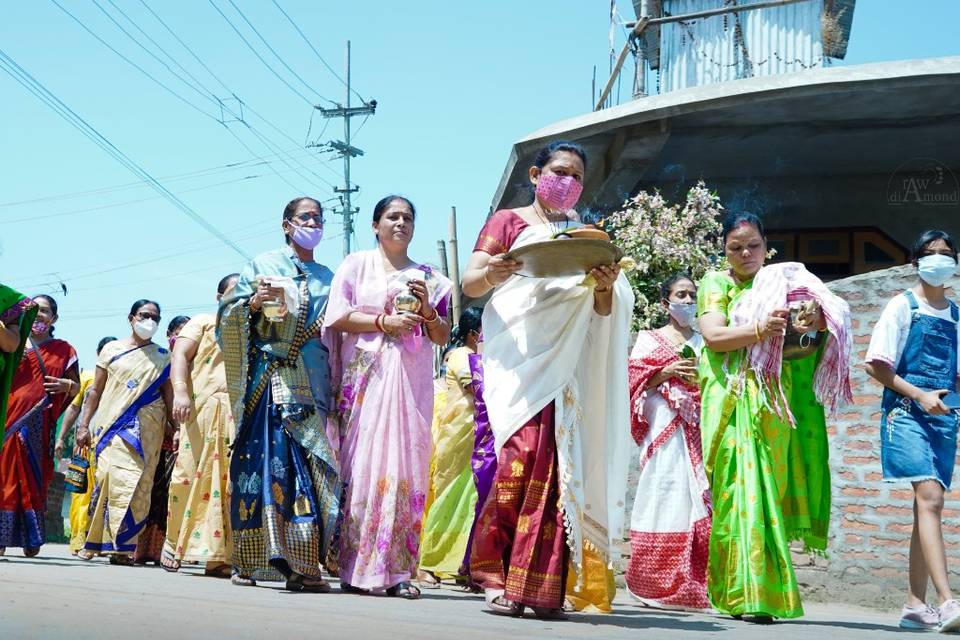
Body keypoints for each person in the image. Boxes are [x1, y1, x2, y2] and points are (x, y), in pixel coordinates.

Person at [460, 140, 634, 618]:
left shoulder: (586, 234)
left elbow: (603, 310)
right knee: (519, 461)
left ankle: (542, 588)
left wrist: (604, 288)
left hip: (567, 371)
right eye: (560, 171)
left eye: (577, 177)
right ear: (536, 175)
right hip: (518, 367)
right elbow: (470, 283)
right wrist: (494, 272)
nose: (569, 183)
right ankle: (495, 576)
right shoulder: (508, 222)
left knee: (562, 472)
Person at [697, 212, 851, 622]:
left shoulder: (784, 285)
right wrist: (760, 331)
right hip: (734, 404)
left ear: (766, 246)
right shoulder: (717, 284)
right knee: (741, 496)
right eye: (735, 247)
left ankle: (761, 590)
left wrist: (818, 324)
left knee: (769, 498)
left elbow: (803, 345)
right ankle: (746, 596)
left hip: (776, 408)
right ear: (724, 250)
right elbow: (714, 337)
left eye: (753, 246)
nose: (745, 254)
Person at [324, 194, 452, 600]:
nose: (400, 223)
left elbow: (442, 336)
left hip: (409, 383)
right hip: (364, 380)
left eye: (408, 218)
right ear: (375, 225)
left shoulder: (429, 276)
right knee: (360, 466)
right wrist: (384, 321)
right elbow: (337, 316)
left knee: (404, 467)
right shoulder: (356, 265)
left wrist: (429, 311)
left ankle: (396, 570)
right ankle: (351, 565)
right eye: (392, 217)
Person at [219, 197, 340, 592]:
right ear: (287, 224)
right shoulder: (262, 265)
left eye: (319, 218)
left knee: (308, 468)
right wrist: (252, 302)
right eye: (306, 217)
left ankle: (303, 563)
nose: (313, 223)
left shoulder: (330, 276)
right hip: (268, 381)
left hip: (312, 382)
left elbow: (338, 332)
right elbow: (228, 318)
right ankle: (251, 560)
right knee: (264, 465)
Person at [865, 230, 960, 632]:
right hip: (905, 414)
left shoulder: (957, 314)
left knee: (926, 507)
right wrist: (919, 394)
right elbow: (876, 365)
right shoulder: (901, 307)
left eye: (946, 253)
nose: (939, 259)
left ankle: (914, 604)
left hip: (945, 417)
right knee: (931, 498)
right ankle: (947, 601)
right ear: (914, 262)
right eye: (929, 253)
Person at [625, 274, 711, 611]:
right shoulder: (649, 339)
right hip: (662, 432)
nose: (688, 301)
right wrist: (668, 371)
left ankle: (690, 584)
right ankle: (650, 583)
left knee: (695, 502)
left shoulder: (707, 342)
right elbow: (634, 382)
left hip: (698, 431)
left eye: (692, 295)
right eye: (681, 295)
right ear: (665, 303)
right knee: (661, 495)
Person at [77, 299, 173, 564]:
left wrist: (176, 428)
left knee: (137, 484)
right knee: (108, 477)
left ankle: (122, 547)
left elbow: (169, 395)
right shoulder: (112, 349)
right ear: (131, 318)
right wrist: (84, 425)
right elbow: (95, 390)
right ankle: (94, 541)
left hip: (148, 429)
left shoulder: (164, 356)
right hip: (111, 426)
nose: (150, 321)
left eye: (155, 317)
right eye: (145, 315)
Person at [162, 274, 239, 577]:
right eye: (234, 292)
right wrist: (181, 391)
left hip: (236, 415)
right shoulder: (203, 322)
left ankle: (219, 556)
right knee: (186, 476)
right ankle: (173, 542)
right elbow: (179, 355)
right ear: (219, 296)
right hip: (201, 411)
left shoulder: (249, 330)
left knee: (227, 482)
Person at [0, 294, 79, 557]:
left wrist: (66, 386)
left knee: (35, 478)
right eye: (35, 310)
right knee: (4, 476)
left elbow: (76, 387)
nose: (40, 315)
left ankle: (30, 536)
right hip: (8, 418)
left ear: (54, 318)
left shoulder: (64, 350)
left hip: (39, 423)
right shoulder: (13, 342)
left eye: (45, 311)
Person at [419, 307, 483, 586]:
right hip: (458, 437)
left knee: (471, 503)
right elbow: (476, 388)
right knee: (448, 500)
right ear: (473, 333)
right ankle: (429, 562)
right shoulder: (460, 356)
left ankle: (462, 563)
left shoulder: (479, 356)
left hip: (476, 436)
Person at [131, 315, 190, 565]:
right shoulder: (161, 359)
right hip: (153, 434)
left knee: (169, 493)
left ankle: (161, 548)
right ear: (169, 335)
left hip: (181, 437)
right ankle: (135, 545)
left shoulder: (194, 361)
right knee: (146, 489)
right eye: (179, 332)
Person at [59, 335, 116, 555]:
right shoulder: (87, 378)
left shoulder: (121, 380)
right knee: (79, 493)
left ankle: (97, 542)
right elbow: (73, 409)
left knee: (104, 493)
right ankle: (78, 539)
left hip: (108, 446)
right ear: (99, 354)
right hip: (82, 447)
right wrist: (61, 438)